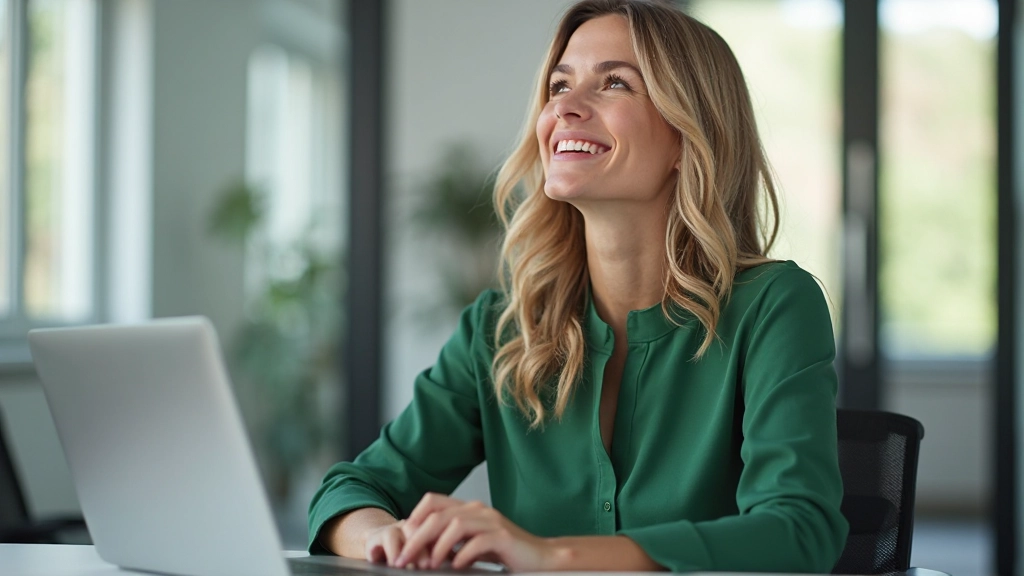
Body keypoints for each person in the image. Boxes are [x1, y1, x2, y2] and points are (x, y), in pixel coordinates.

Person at [308, 0, 849, 572]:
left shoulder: (774, 306)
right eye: (559, 86)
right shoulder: (498, 328)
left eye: (615, 83)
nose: (565, 107)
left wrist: (551, 557)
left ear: (690, 131)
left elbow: (799, 532)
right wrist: (386, 541)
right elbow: (353, 489)